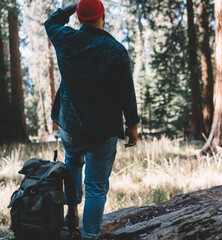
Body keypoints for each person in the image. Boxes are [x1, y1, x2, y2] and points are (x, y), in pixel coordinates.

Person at [44, 0, 140, 239]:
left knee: (72, 163)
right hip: (102, 129)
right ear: (102, 15)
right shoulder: (116, 50)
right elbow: (127, 93)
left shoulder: (66, 39)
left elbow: (51, 21)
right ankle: (89, 236)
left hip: (70, 125)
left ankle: (72, 214)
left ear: (79, 16)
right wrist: (133, 125)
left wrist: (72, 6)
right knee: (96, 188)